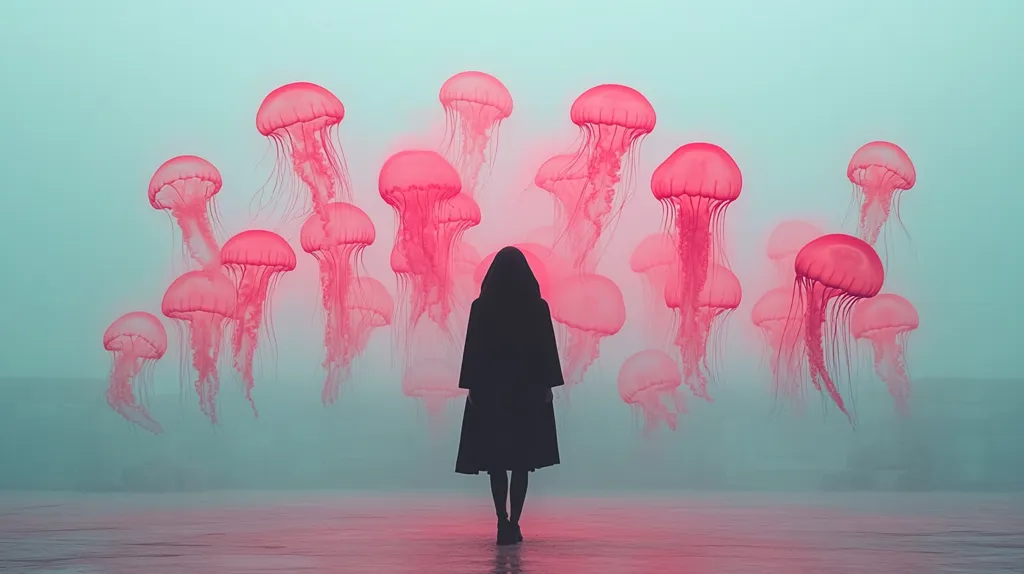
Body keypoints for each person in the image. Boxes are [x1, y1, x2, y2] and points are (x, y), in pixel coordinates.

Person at [455, 246, 565, 546]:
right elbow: (546, 351)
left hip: (492, 394)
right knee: (520, 461)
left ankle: (502, 520)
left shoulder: (481, 307)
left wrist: (472, 387)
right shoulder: (537, 307)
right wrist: (547, 386)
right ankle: (514, 521)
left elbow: (473, 351)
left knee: (496, 460)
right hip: (526, 393)